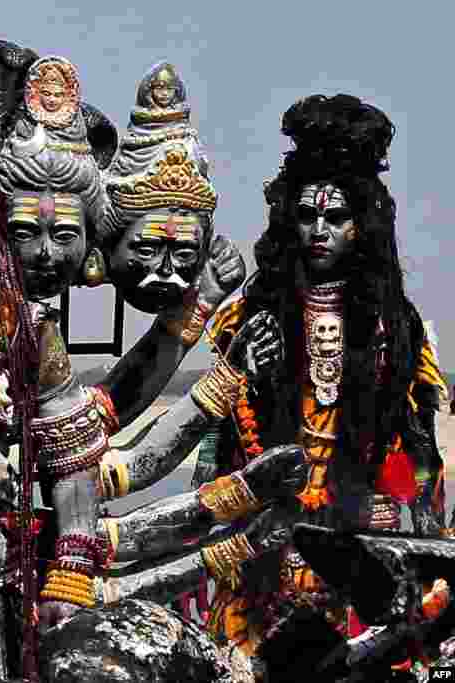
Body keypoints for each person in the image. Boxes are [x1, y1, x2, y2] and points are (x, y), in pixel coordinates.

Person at [193, 94, 448, 659]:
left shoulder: (396, 328)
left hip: (359, 546)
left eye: (335, 218)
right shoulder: (246, 317)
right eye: (307, 216)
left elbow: (422, 449)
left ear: (362, 225)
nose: (319, 230)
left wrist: (416, 525)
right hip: (263, 545)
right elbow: (213, 437)